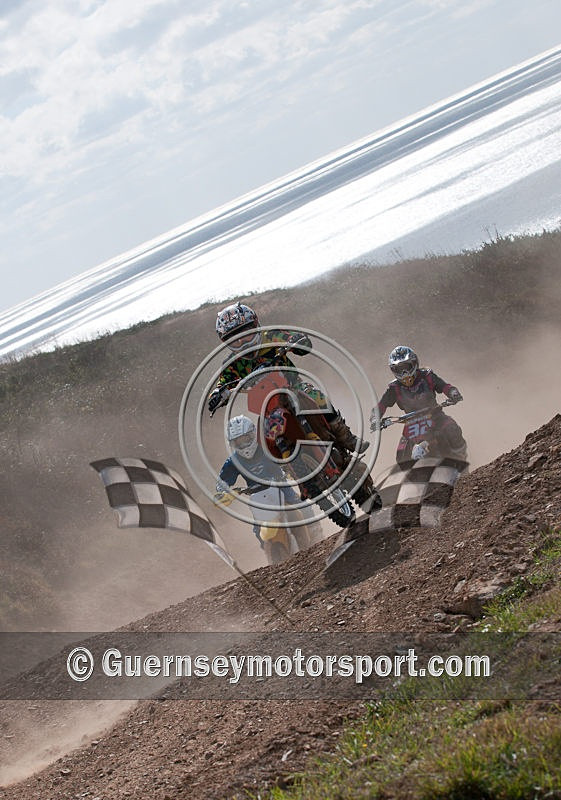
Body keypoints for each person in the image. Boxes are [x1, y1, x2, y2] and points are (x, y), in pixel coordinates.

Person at [207, 302, 368, 455]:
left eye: (245, 334)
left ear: (255, 326)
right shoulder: (231, 364)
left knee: (316, 396)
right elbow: (223, 383)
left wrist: (297, 341)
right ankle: (279, 473)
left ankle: (346, 437)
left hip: (293, 387)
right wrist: (216, 395)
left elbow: (291, 337)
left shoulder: (270, 337)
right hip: (266, 404)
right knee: (262, 435)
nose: (241, 341)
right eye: (234, 339)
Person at [214, 415, 320, 545]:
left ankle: (316, 532)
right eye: (238, 442)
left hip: (280, 483)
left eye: (245, 439)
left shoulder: (267, 447)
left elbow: (285, 456)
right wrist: (222, 492)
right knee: (257, 528)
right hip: (257, 495)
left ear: (253, 434)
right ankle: (268, 550)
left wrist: (289, 468)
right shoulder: (234, 461)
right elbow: (223, 480)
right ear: (232, 443)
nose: (243, 444)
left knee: (299, 503)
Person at [371, 345, 466, 456]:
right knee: (401, 455)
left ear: (414, 363)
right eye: (399, 369)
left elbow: (444, 386)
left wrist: (453, 393)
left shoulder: (427, 376)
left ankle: (462, 460)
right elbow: (382, 404)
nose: (404, 373)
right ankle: (411, 473)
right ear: (393, 370)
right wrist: (375, 418)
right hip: (412, 424)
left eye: (406, 367)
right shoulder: (394, 388)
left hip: (435, 416)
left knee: (452, 430)